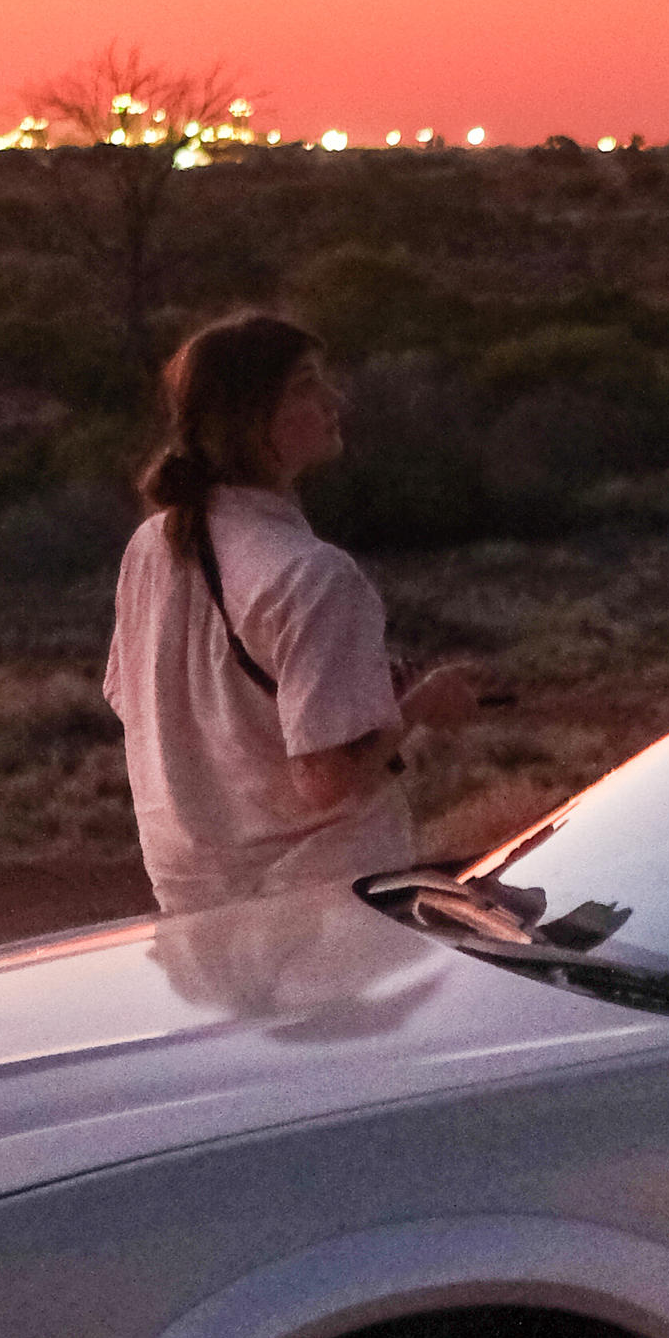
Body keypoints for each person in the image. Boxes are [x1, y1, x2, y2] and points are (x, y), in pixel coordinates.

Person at [105, 314, 478, 911]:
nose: (335, 398)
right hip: (326, 916)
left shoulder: (151, 547)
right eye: (306, 384)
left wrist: (359, 698)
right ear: (252, 419)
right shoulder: (315, 576)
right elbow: (326, 782)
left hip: (196, 914)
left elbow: (156, 708)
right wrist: (420, 707)